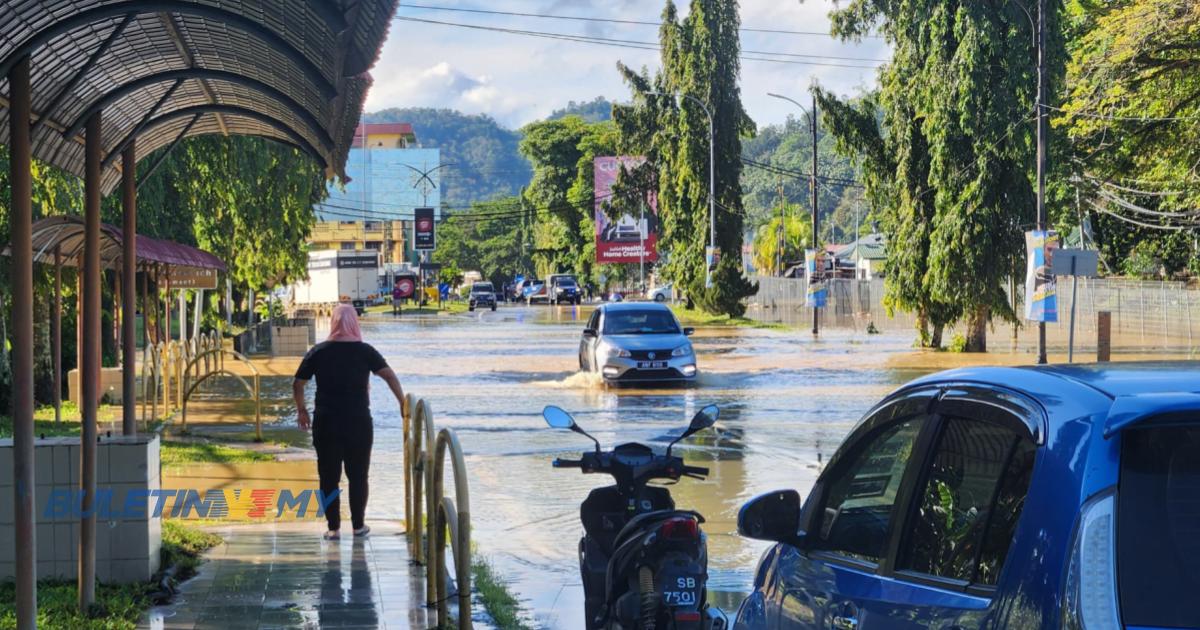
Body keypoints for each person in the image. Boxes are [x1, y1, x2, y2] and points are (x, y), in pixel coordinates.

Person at [292, 303, 405, 540]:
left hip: (326, 422)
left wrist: (302, 410)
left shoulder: (319, 351)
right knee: (358, 475)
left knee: (328, 475)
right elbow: (389, 376)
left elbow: (298, 383)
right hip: (358, 422)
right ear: (355, 322)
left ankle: (333, 529)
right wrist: (402, 403)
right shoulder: (366, 351)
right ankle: (358, 526)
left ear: (333, 322)